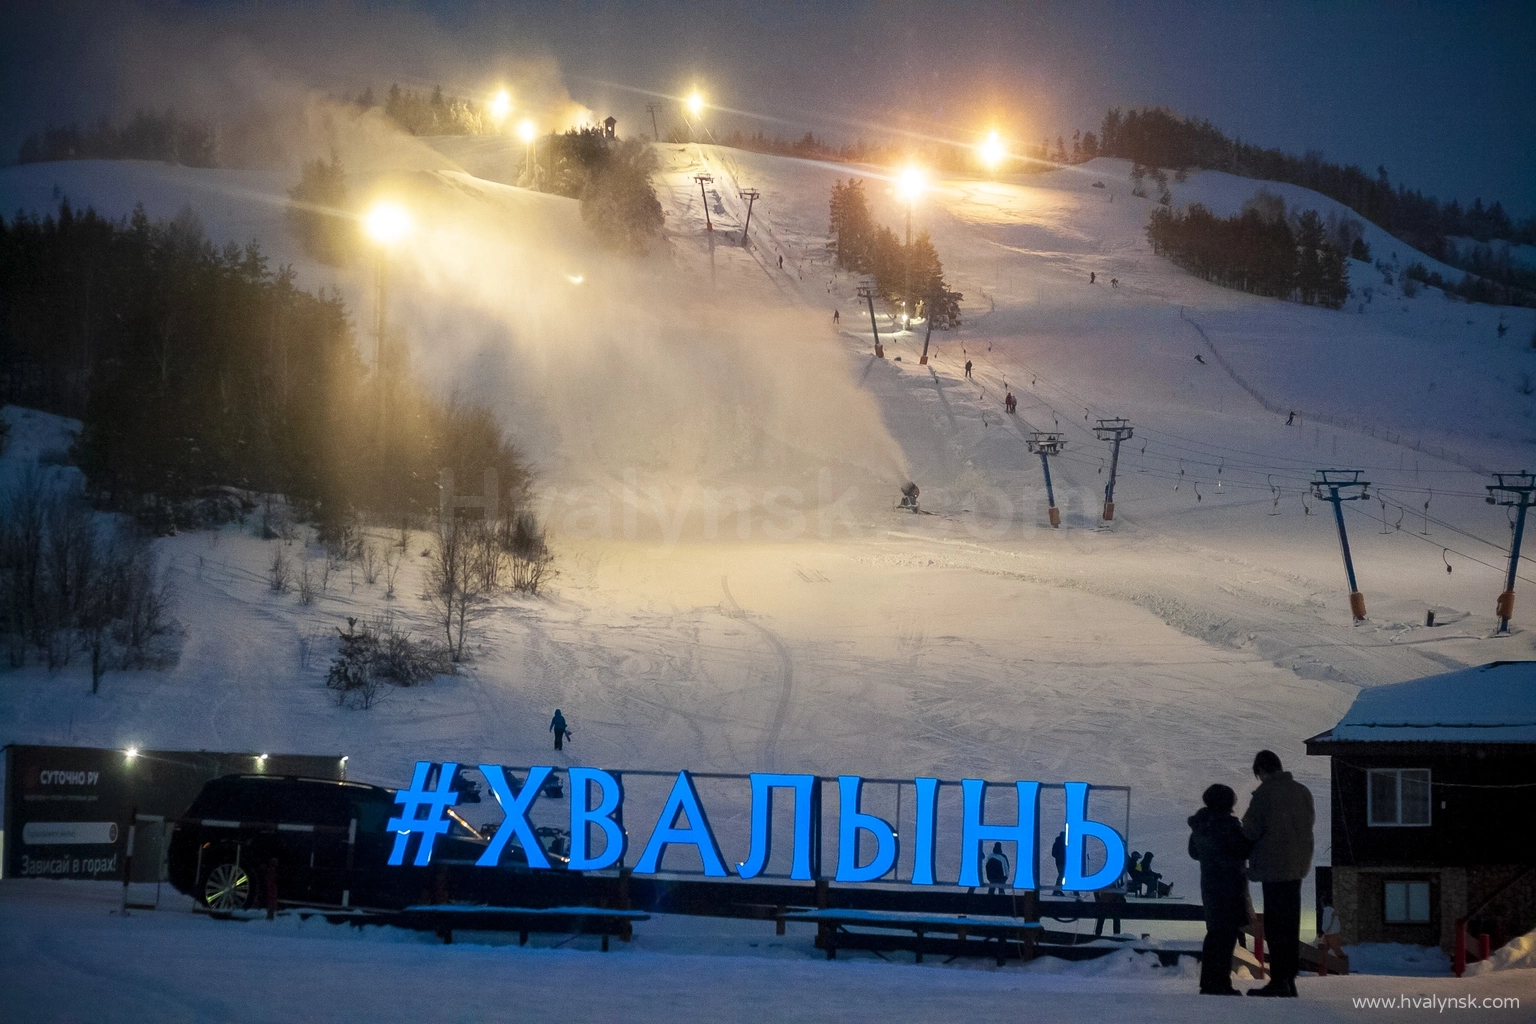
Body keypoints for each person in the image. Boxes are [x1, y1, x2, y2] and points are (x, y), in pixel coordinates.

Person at [1242, 750, 1314, 998]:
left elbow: (1250, 830)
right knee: (1290, 925)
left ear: (1261, 770)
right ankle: (1289, 981)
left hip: (1273, 869)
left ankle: (1279, 981)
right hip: (1296, 868)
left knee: (1275, 927)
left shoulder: (1265, 795)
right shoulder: (1302, 791)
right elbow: (1307, 825)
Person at [1189, 783, 1253, 996]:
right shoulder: (1228, 825)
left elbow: (1194, 852)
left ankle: (1208, 981)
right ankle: (1221, 982)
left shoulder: (1201, 825)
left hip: (1209, 885)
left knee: (1215, 934)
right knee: (1226, 937)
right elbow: (1243, 849)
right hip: (1230, 885)